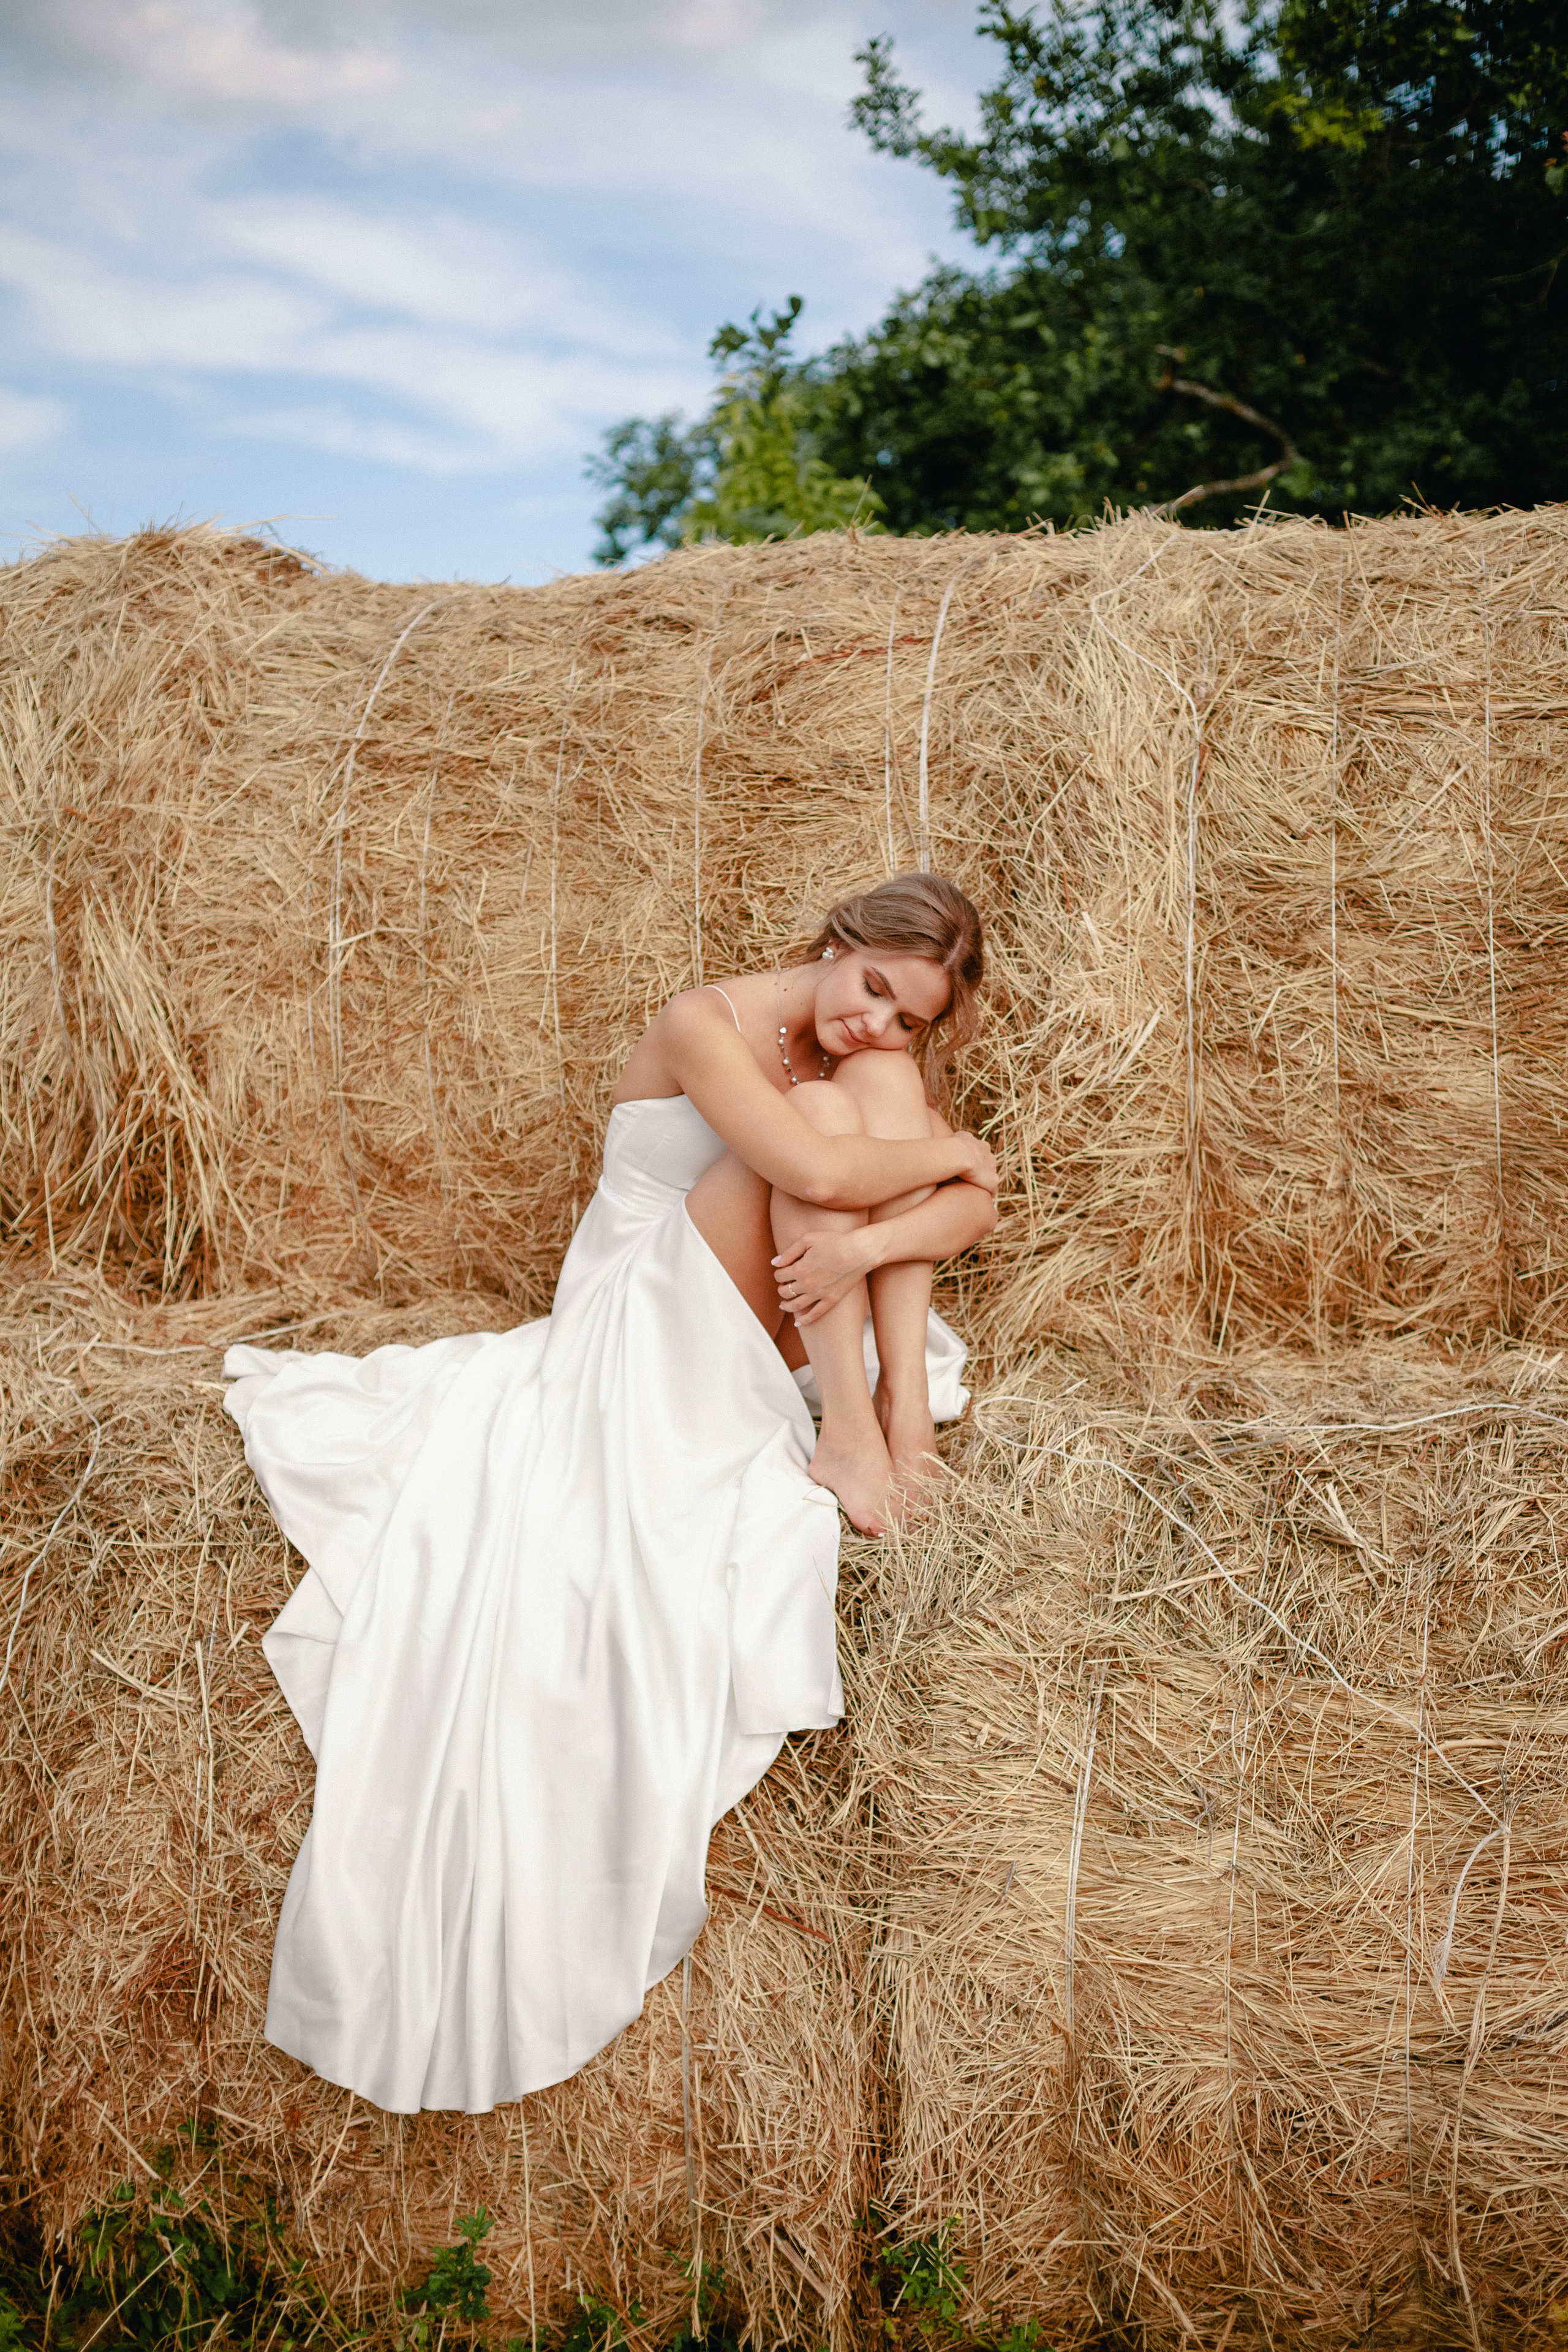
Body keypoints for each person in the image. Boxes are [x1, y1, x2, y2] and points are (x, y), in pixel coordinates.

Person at [224, 873, 996, 2114]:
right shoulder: (704, 1020)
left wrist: (870, 1230)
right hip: (637, 1320)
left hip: (776, 1308)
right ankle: (853, 1432)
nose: (875, 1030)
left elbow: (951, 1211)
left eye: (907, 1021)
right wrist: (953, 1154)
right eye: (868, 992)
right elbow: (830, 1166)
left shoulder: (872, 1067)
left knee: (872, 1128)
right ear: (836, 940)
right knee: (835, 1136)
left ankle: (897, 1415)